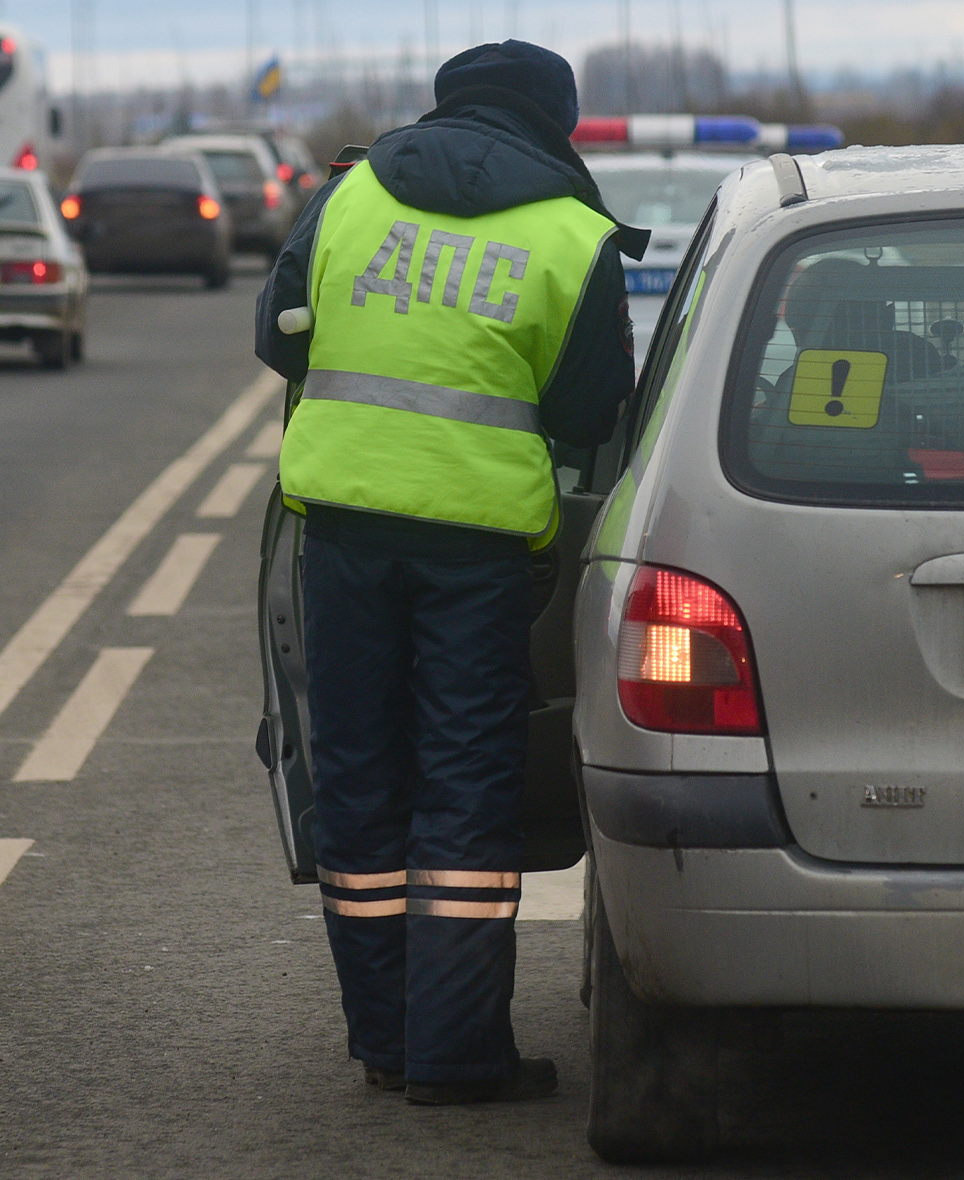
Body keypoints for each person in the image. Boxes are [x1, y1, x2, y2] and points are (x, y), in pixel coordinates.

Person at [253, 40, 640, 1105]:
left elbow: (278, 339)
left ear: (447, 103)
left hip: (338, 531)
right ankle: (456, 1054)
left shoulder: (349, 195)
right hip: (476, 550)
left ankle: (384, 1038)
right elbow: (587, 412)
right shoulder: (573, 232)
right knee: (464, 792)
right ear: (555, 122)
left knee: (359, 779)